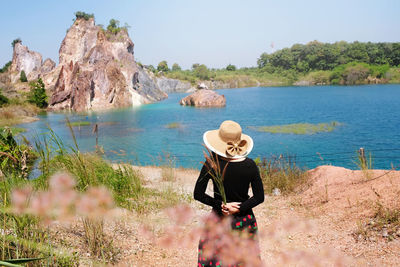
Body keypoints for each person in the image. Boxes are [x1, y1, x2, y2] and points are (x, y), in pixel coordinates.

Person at [194, 120, 264, 267]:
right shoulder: (250, 165)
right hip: (244, 220)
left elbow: (198, 194)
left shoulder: (211, 163)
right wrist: (240, 207)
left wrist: (220, 205)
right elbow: (259, 197)